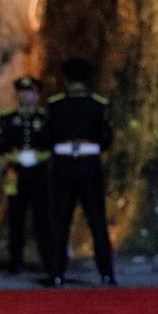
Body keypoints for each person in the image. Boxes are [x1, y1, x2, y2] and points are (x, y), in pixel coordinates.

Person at [47, 58, 116, 287]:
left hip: (63, 166)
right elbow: (106, 138)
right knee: (96, 220)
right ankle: (106, 274)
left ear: (66, 80)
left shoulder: (55, 105)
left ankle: (56, 274)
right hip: (89, 166)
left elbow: (48, 137)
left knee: (60, 221)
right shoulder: (98, 105)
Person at [0, 76, 53, 275]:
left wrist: (40, 156)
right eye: (22, 91)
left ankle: (48, 261)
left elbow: (51, 143)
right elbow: (0, 144)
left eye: (30, 92)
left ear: (37, 95)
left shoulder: (45, 117)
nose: (25, 95)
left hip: (39, 174)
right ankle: (15, 262)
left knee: (43, 219)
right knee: (16, 219)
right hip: (16, 173)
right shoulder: (8, 117)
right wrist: (15, 156)